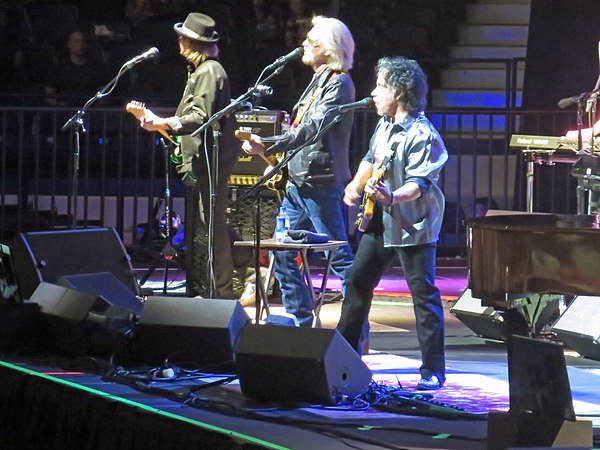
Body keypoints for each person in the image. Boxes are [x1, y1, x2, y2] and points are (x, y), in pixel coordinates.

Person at [337, 56, 448, 390]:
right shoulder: (383, 125)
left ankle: (433, 370)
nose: (373, 92)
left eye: (381, 86)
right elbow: (371, 159)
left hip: (413, 224)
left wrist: (393, 196)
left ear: (399, 91)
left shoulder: (423, 134)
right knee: (357, 282)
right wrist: (356, 186)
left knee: (423, 295)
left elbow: (420, 183)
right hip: (380, 221)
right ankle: (341, 356)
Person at [242, 16, 356, 326]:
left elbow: (312, 129)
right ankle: (300, 321)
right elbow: (300, 126)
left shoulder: (339, 83)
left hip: (320, 183)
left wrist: (268, 142)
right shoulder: (319, 79)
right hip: (298, 182)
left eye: (311, 42)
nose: (303, 45)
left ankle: (357, 328)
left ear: (327, 48)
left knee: (339, 258)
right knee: (282, 251)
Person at [139, 12, 240, 299]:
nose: (179, 42)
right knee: (211, 225)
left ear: (192, 43)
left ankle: (220, 292)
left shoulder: (209, 71)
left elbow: (200, 116)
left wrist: (164, 122)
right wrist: (176, 137)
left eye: (183, 38)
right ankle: (219, 286)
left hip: (212, 161)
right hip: (205, 159)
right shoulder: (202, 70)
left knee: (214, 227)